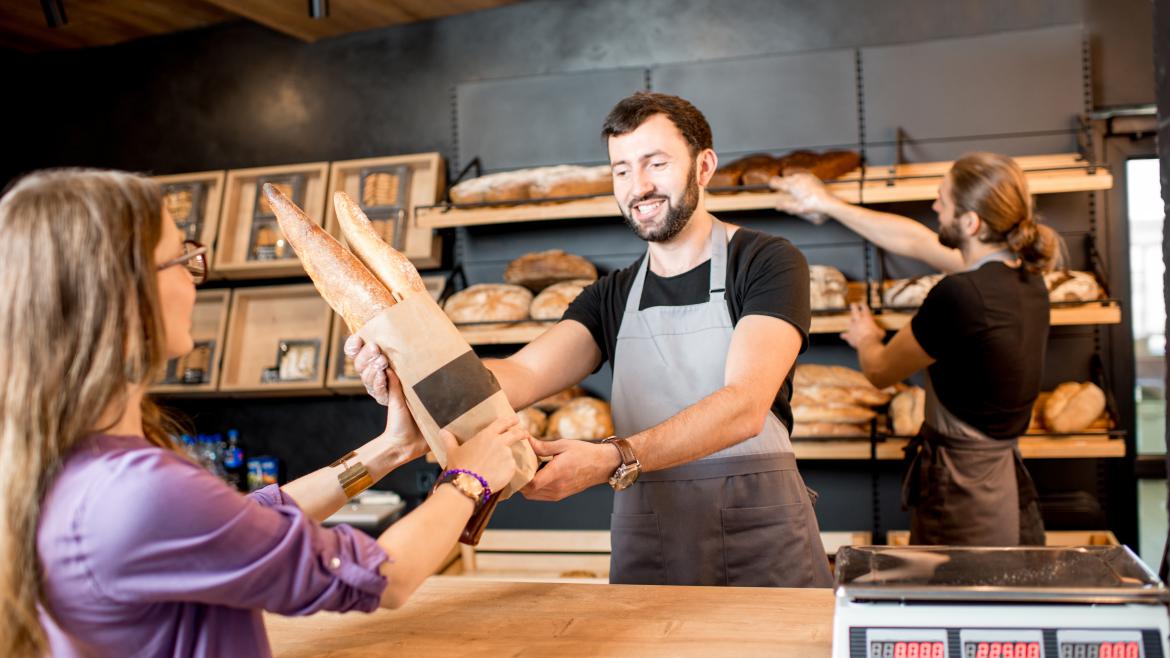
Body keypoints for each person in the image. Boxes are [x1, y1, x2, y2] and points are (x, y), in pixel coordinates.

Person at [0, 169, 528, 658]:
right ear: (121, 290)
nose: (194, 277)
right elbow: (380, 578)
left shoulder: (75, 462)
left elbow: (235, 523)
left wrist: (390, 449)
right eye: (181, 258)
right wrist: (468, 479)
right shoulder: (136, 492)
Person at [352, 91, 833, 587]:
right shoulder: (612, 295)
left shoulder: (765, 261)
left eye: (656, 163)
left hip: (759, 533)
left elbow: (745, 405)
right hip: (653, 535)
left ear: (704, 166)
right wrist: (409, 369)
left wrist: (612, 457)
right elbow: (523, 374)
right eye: (621, 170)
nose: (638, 186)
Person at [770, 152, 1057, 546]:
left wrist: (866, 336)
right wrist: (827, 203)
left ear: (971, 223)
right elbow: (916, 241)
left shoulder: (960, 295)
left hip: (960, 486)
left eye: (943, 199)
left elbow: (881, 371)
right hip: (1003, 479)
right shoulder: (1028, 281)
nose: (935, 206)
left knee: (953, 595)